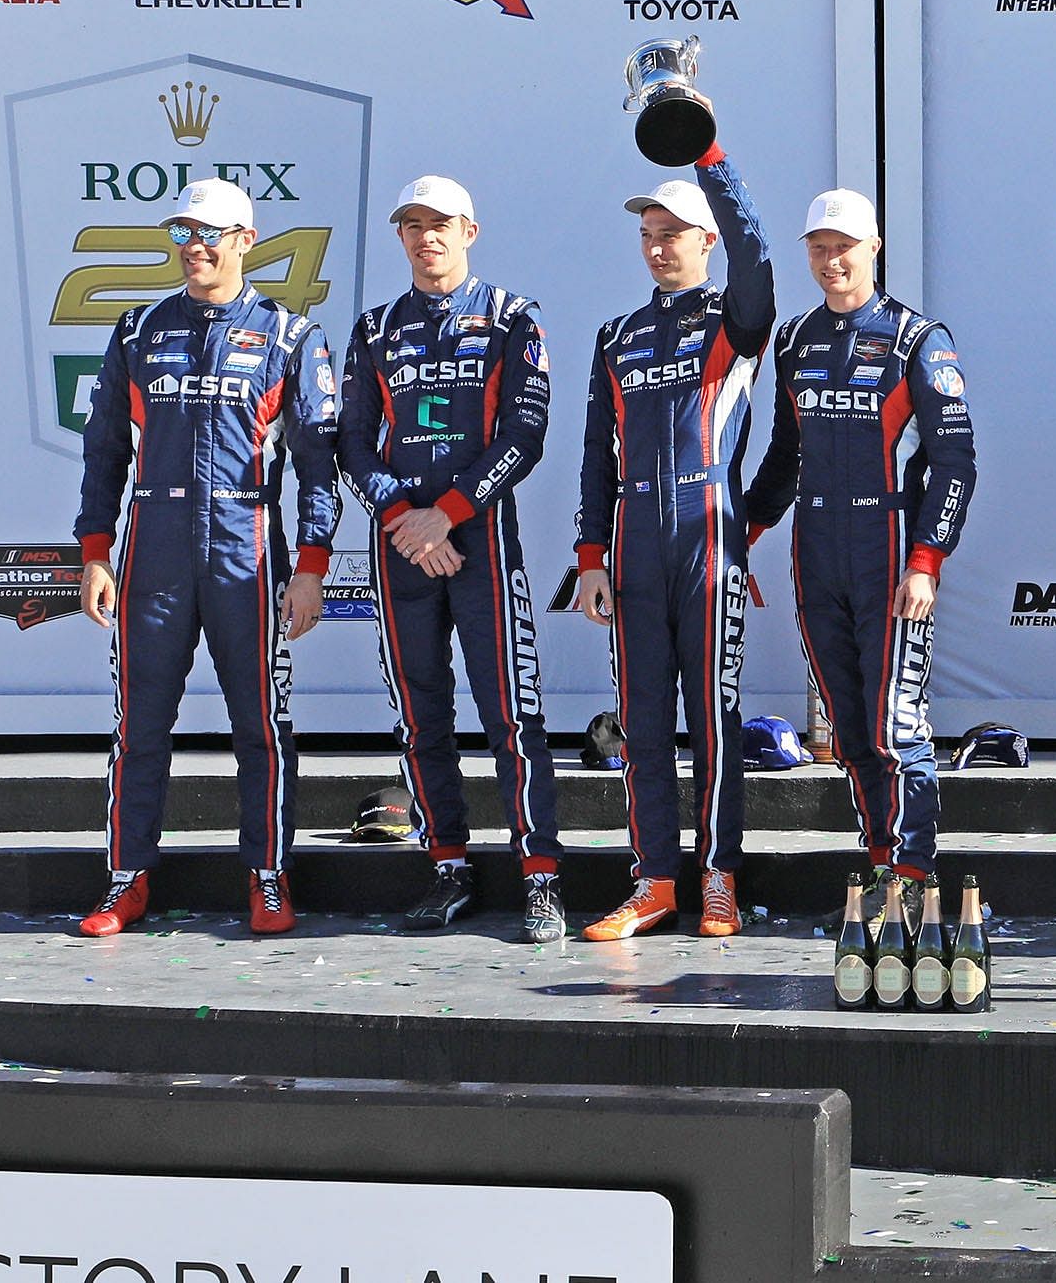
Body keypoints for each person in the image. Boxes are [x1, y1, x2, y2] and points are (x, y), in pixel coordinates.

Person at [72, 177, 341, 938]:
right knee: (140, 724)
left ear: (246, 241)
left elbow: (320, 465)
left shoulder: (289, 334)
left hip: (247, 545)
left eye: (211, 233)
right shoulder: (137, 328)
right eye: (185, 233)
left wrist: (313, 565)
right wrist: (96, 552)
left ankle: (268, 875)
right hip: (152, 546)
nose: (196, 246)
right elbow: (103, 453)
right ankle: (125, 878)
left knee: (261, 724)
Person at [337, 175, 563, 943]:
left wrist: (449, 515)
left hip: (481, 543)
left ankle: (539, 876)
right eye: (412, 225)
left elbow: (524, 436)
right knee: (421, 717)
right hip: (401, 549)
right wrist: (406, 518)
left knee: (512, 716)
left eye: (441, 224)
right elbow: (351, 444)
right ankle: (447, 865)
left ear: (470, 230)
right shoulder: (372, 329)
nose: (426, 237)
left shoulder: (511, 317)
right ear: (400, 236)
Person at [744, 186, 977, 917]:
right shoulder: (794, 340)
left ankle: (914, 876)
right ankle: (881, 866)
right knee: (847, 730)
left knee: (895, 725)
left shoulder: (918, 338)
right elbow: (786, 453)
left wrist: (926, 561)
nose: (831, 260)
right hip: (816, 552)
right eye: (818, 247)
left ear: (874, 248)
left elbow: (955, 460)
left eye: (844, 246)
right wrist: (744, 530)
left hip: (890, 554)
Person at [572, 143, 774, 942]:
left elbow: (757, 254)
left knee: (714, 720)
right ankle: (654, 880)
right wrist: (590, 557)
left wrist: (712, 159)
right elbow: (595, 454)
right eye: (649, 234)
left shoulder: (735, 320)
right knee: (641, 721)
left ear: (705, 240)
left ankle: (718, 876)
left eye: (674, 233)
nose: (659, 245)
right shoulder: (617, 336)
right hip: (632, 543)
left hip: (708, 534)